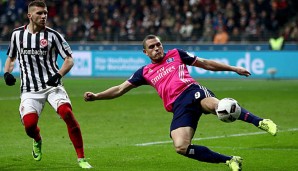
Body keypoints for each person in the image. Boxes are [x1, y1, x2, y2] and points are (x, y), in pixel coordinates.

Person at [84, 34, 278, 170]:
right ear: (145, 52)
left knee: (221, 107)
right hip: (178, 107)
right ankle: (230, 161)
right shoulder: (144, 72)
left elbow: (206, 63)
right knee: (181, 147)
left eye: (158, 44)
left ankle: (260, 122)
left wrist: (233, 68)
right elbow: (119, 88)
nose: (157, 48)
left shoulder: (176, 54)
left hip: (192, 91)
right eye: (151, 47)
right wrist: (97, 96)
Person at [3, 1, 92, 169]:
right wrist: (7, 73)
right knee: (29, 126)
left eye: (45, 13)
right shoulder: (17, 35)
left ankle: (81, 158)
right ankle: (37, 139)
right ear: (30, 16)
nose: (44, 16)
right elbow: (11, 57)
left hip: (52, 86)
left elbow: (69, 59)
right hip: (29, 89)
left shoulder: (53, 35)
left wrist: (58, 75)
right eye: (39, 13)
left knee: (67, 113)